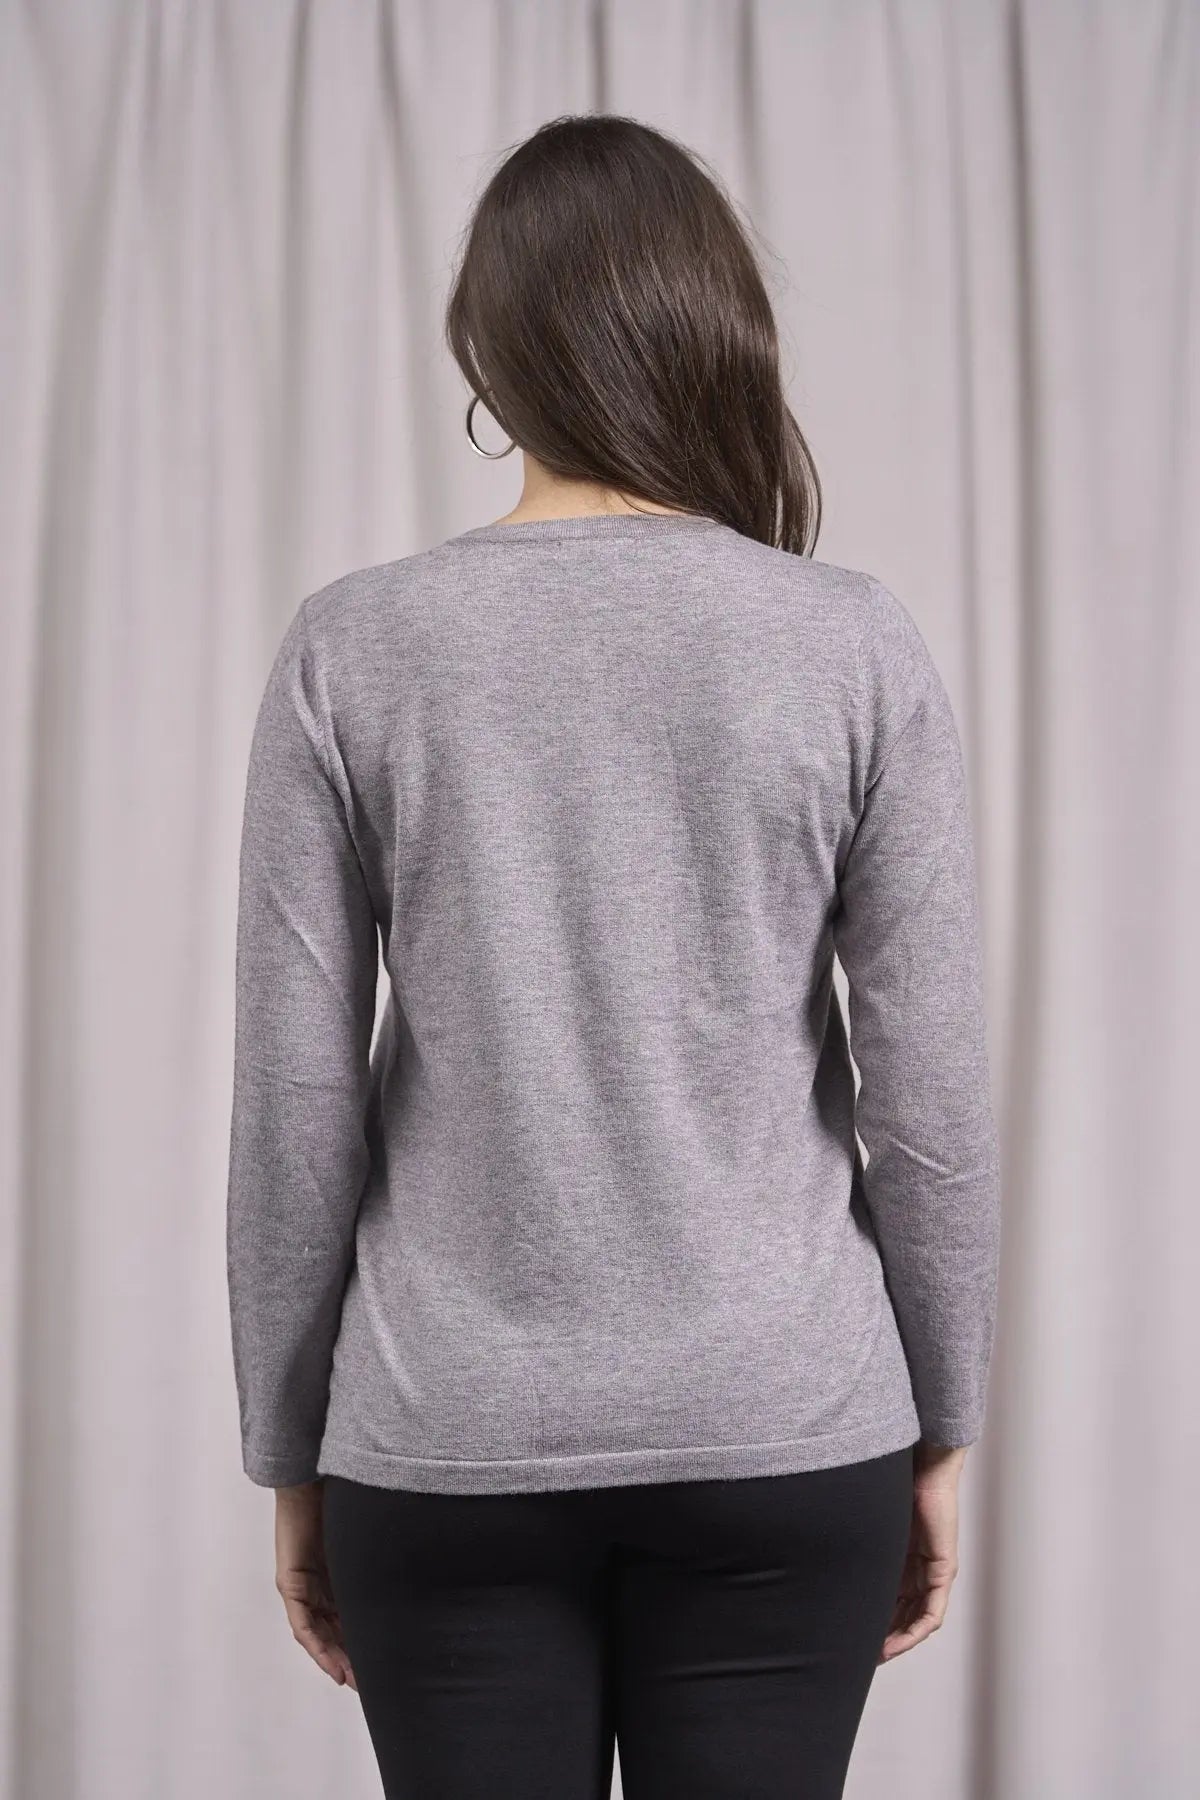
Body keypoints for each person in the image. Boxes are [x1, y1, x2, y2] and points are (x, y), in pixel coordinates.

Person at [226, 113, 1002, 1799]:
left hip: (443, 1442)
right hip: (789, 1430)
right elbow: (930, 1102)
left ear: (490, 355)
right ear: (713, 329)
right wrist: (943, 1421)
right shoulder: (850, 645)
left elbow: (295, 1105)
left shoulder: (355, 649)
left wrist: (290, 1450)